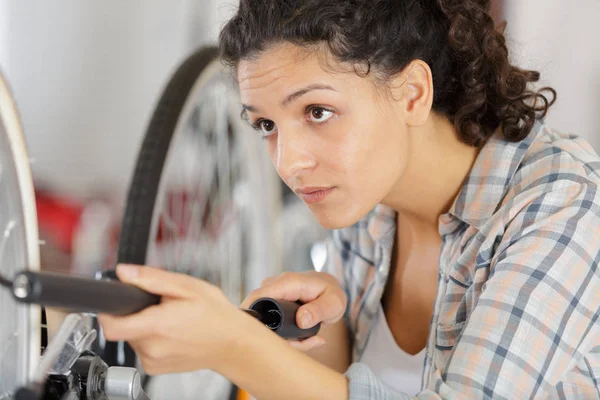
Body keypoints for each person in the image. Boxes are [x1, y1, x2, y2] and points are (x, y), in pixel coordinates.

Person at [98, 0, 600, 398]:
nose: (289, 163)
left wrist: (236, 346)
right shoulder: (370, 200)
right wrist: (317, 333)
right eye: (266, 125)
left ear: (412, 93)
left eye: (317, 111)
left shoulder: (563, 206)